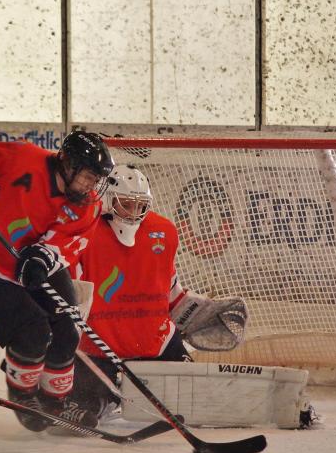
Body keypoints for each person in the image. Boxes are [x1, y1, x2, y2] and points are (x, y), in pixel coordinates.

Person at [0, 131, 114, 432]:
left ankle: (55, 404)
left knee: (68, 331)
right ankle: (24, 397)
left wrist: (45, 255)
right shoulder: (21, 157)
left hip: (33, 258)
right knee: (32, 333)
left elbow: (68, 241)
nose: (91, 186)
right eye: (86, 177)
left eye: (96, 180)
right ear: (67, 164)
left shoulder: (88, 203)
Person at [69, 165, 248, 420]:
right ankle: (106, 395)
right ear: (108, 200)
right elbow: (70, 295)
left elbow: (169, 291)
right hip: (97, 346)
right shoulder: (85, 229)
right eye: (126, 204)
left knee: (197, 401)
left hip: (157, 342)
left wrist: (199, 310)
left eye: (140, 205)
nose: (134, 213)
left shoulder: (164, 231)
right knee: (85, 413)